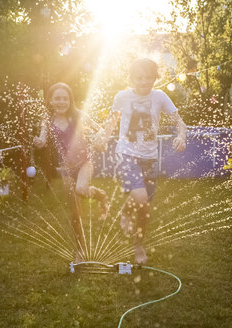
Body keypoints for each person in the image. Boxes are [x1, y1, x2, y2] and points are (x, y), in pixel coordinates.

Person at [94, 58, 187, 264]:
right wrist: (103, 137)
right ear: (131, 78)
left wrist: (181, 136)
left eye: (148, 77)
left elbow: (179, 122)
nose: (144, 81)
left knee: (144, 207)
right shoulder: (122, 97)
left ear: (155, 77)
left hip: (150, 158)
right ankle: (131, 231)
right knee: (141, 197)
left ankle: (138, 241)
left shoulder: (160, 97)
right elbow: (111, 122)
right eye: (139, 77)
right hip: (126, 154)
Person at [33, 82, 108, 263]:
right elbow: (42, 140)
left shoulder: (78, 116)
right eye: (57, 98)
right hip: (66, 169)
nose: (61, 101)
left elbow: (101, 129)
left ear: (70, 100)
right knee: (74, 212)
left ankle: (101, 195)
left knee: (82, 189)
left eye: (65, 98)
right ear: (50, 100)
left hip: (84, 164)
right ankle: (80, 251)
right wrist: (40, 142)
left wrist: (100, 137)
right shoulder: (47, 121)